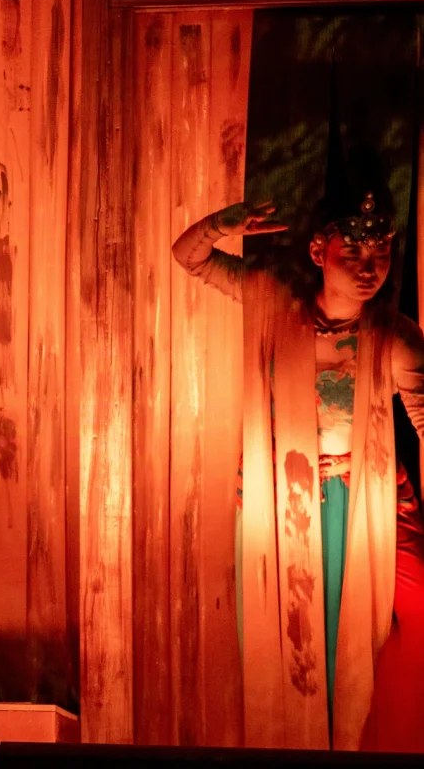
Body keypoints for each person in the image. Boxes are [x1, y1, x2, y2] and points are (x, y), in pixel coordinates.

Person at [172, 173, 424, 750]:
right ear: (318, 251)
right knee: (293, 641)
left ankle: (387, 744)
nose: (368, 267)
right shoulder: (273, 305)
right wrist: (221, 225)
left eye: (380, 251)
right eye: (352, 251)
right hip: (284, 503)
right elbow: (188, 257)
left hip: (372, 501)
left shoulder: (396, 339)